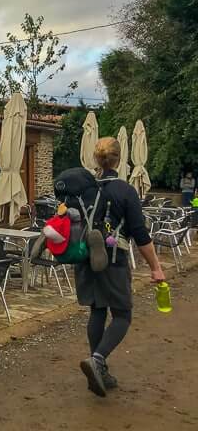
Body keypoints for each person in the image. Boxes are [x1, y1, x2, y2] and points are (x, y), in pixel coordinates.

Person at [76, 137, 165, 397]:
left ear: (96, 159)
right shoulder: (125, 191)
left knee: (98, 309)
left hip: (85, 259)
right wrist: (156, 267)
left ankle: (99, 371)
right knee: (123, 314)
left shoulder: (85, 189)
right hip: (113, 259)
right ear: (119, 159)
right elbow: (140, 234)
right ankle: (98, 360)